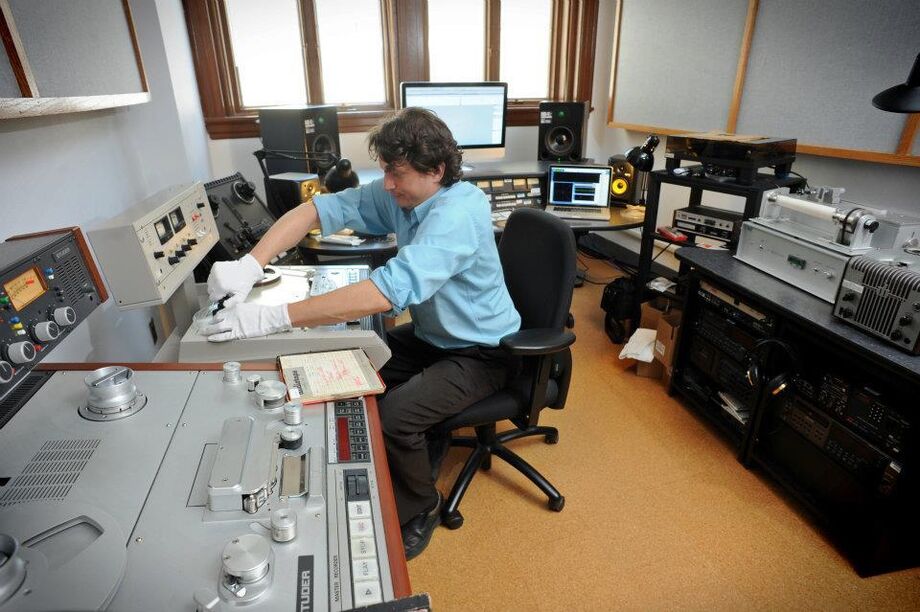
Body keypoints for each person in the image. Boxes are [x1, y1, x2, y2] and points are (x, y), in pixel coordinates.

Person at [201, 108, 521, 560]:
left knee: (395, 417)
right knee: (349, 363)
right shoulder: (405, 195)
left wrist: (272, 317)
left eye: (398, 173)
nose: (387, 183)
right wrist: (251, 263)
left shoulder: (459, 213)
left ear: (437, 170)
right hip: (434, 338)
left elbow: (384, 293)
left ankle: (421, 507)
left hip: (482, 353)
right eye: (387, 170)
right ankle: (418, 442)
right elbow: (315, 209)